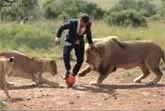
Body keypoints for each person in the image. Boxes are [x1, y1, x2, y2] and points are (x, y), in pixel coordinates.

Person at [55, 14, 95, 87]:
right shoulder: (72, 23)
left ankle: (73, 74)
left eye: (85, 24)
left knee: (80, 60)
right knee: (66, 55)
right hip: (69, 40)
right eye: (83, 23)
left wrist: (91, 44)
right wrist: (57, 38)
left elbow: (88, 35)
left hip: (80, 42)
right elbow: (61, 27)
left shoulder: (88, 25)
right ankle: (68, 71)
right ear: (80, 20)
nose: (84, 25)